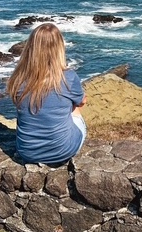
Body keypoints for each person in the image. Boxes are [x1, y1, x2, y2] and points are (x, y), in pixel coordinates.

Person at [7, 23, 87, 165]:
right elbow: (81, 102)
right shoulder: (68, 77)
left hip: (27, 152)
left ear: (31, 47)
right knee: (75, 107)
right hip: (62, 151)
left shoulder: (18, 78)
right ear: (59, 48)